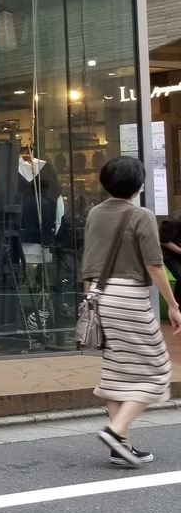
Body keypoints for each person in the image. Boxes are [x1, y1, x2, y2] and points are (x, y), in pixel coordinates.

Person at [81, 156, 181, 468]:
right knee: (158, 369)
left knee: (117, 370)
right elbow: (154, 264)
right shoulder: (141, 215)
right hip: (129, 297)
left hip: (98, 296)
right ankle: (116, 430)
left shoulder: (95, 213)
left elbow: (90, 261)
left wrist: (91, 302)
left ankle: (121, 448)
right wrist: (173, 305)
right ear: (138, 185)